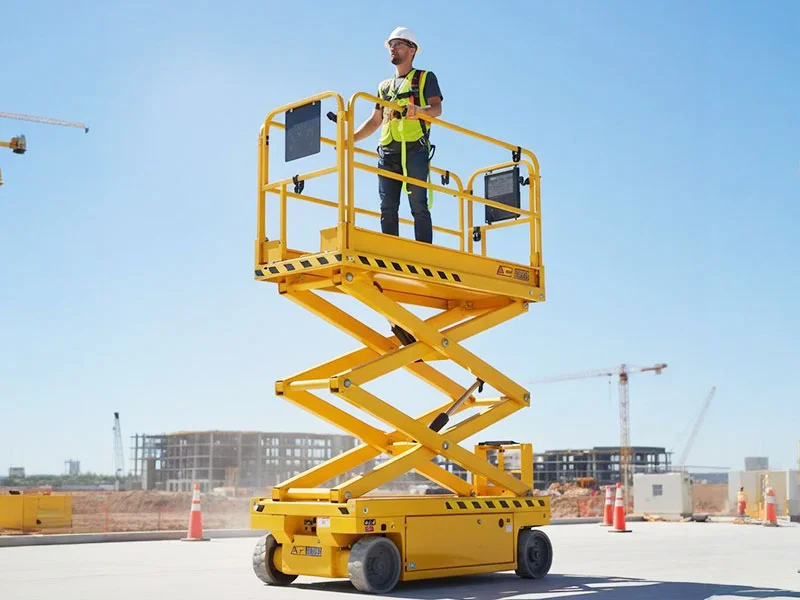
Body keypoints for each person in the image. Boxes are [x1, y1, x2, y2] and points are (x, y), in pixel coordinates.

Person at [351, 27, 443, 244]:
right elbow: (375, 120)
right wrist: (350, 139)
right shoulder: (384, 87)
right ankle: (391, 251)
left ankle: (423, 252)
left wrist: (419, 111)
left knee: (418, 204)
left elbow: (436, 110)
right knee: (387, 206)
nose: (393, 48)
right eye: (391, 45)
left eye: (398, 44)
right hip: (388, 151)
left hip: (414, 149)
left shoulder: (424, 78)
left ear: (412, 50)